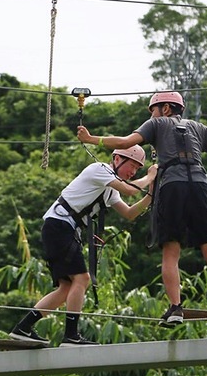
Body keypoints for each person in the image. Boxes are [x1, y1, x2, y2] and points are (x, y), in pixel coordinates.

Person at [76, 91, 207, 327]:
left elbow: (126, 142)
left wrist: (92, 139)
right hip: (199, 184)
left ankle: (176, 308)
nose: (152, 114)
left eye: (153, 109)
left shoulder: (156, 123)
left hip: (172, 185)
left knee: (170, 252)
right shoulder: (198, 127)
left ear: (165, 108)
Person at [10, 146, 157, 346]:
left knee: (67, 287)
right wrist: (150, 176)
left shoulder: (110, 189)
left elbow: (130, 213)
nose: (133, 172)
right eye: (131, 165)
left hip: (63, 229)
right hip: (60, 226)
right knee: (82, 279)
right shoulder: (99, 169)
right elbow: (130, 190)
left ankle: (23, 328)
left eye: (137, 169)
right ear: (116, 159)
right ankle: (70, 336)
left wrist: (150, 193)